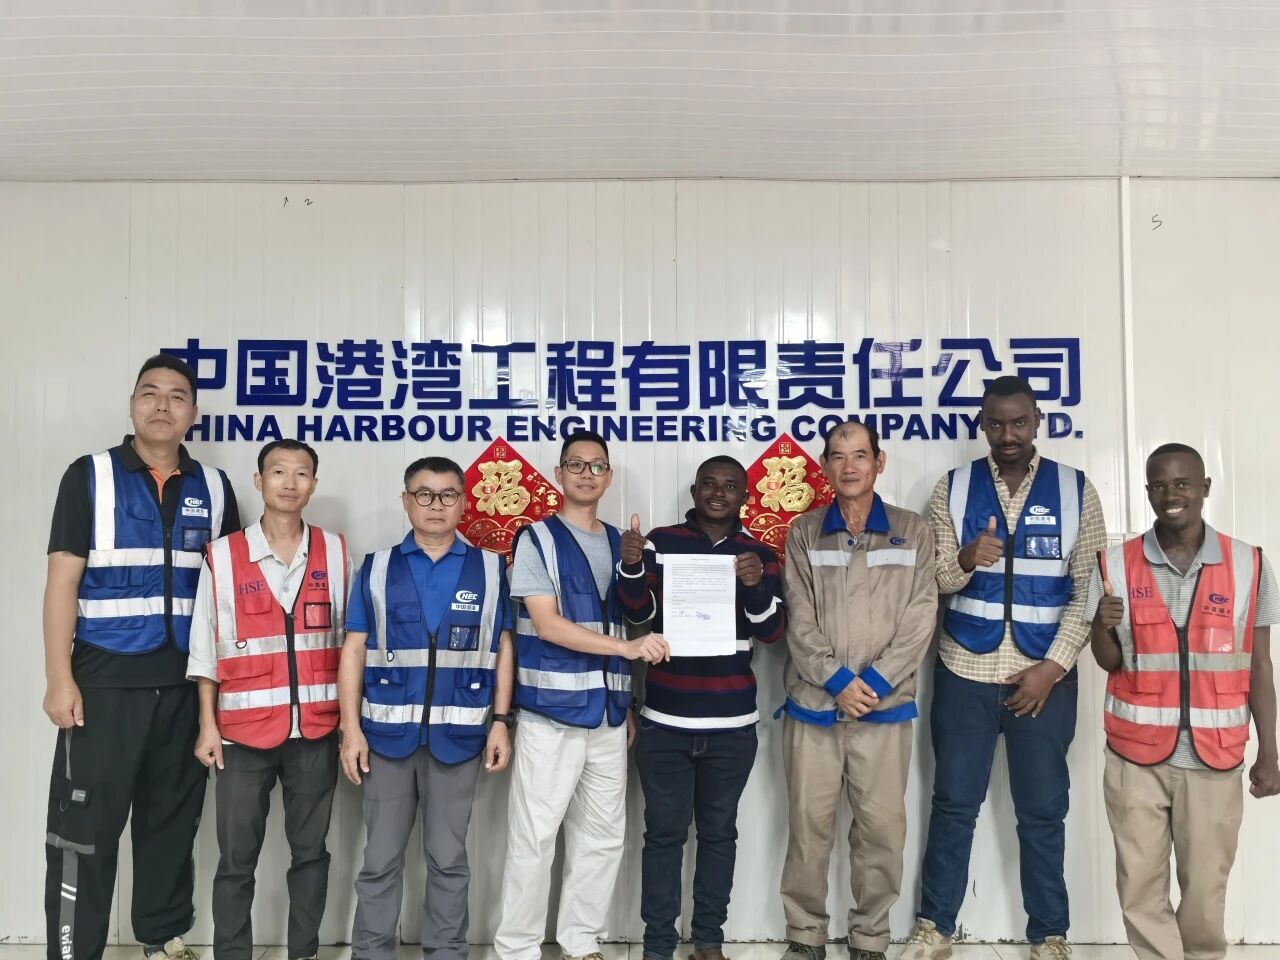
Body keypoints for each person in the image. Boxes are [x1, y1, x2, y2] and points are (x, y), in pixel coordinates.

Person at [42, 354, 240, 960]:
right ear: (132, 404)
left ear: (193, 413)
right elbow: (62, 581)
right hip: (103, 685)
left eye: (176, 396)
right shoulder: (90, 476)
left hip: (184, 687)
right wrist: (58, 678)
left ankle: (161, 939)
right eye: (149, 393)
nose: (162, 405)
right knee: (85, 830)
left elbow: (226, 594)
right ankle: (74, 949)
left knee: (171, 825)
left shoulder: (214, 487)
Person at [904, 375, 1106, 960]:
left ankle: (1050, 935)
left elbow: (1089, 591)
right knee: (953, 805)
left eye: (1019, 422)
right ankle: (934, 927)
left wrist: (1053, 667)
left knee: (1043, 811)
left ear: (1038, 420)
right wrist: (966, 558)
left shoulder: (1075, 489)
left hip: (1043, 677)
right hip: (964, 670)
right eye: (996, 423)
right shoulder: (953, 488)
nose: (1008, 434)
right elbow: (935, 580)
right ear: (983, 424)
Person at [1087, 442, 1279, 960]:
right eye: (1158, 485)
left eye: (1182, 484)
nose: (1170, 495)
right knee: (1139, 886)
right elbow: (1109, 660)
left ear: (1205, 488)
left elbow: (1259, 664)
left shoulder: (1249, 563)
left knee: (1206, 891)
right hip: (1134, 757)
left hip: (1215, 757)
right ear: (1147, 491)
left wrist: (1269, 751)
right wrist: (1099, 626)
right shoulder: (1114, 563)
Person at [493, 430, 669, 960]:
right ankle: (518, 948)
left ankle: (580, 940)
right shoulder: (536, 540)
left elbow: (630, 618)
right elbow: (547, 625)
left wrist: (627, 703)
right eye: (576, 464)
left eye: (597, 466)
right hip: (550, 715)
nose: (587, 474)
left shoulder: (622, 543)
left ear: (609, 477)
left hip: (609, 717)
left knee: (603, 837)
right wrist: (628, 649)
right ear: (558, 473)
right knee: (534, 839)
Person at [337, 455, 516, 960]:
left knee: (449, 860)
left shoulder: (490, 569)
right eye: (424, 494)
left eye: (448, 495)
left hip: (459, 739)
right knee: (380, 860)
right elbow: (353, 650)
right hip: (384, 740)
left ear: (463, 502)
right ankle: (372, 953)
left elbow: (503, 648)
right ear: (406, 500)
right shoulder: (376, 568)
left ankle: (447, 953)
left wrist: (501, 722)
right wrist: (350, 730)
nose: (436, 505)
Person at [777, 422, 937, 960]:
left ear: (879, 462)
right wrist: (839, 682)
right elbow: (799, 618)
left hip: (883, 710)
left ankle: (870, 937)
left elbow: (921, 615)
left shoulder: (913, 531)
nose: (849, 467)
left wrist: (874, 682)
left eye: (860, 455)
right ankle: (805, 935)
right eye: (838, 456)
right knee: (808, 828)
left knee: (881, 831)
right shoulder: (804, 532)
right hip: (815, 708)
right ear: (824, 465)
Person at [616, 454, 787, 960]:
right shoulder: (660, 542)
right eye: (708, 484)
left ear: (745, 496)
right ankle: (658, 945)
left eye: (730, 486)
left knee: (719, 835)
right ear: (694, 492)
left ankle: (709, 940)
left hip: (732, 725)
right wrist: (632, 566)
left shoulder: (760, 553)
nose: (718, 493)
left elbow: (772, 632)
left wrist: (754, 586)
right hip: (664, 722)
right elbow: (637, 616)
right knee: (663, 837)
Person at [186, 438, 350, 960]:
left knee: (311, 854)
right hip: (241, 736)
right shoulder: (222, 555)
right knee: (236, 861)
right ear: (259, 482)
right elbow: (204, 650)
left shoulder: (336, 552)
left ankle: (304, 951)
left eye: (301, 473)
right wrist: (207, 726)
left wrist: (349, 725)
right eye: (278, 472)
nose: (289, 483)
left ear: (314, 485)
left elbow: (351, 645)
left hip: (316, 732)